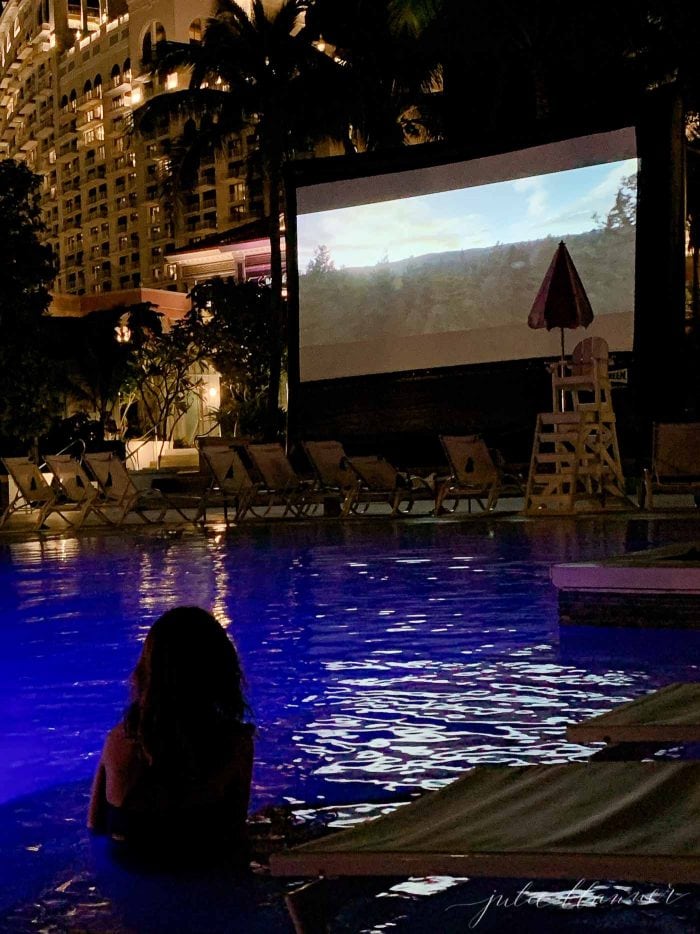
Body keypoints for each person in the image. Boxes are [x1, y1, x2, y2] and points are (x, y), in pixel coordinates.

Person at [88, 606, 254, 867]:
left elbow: (95, 826)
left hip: (129, 883)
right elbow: (234, 835)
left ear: (146, 671)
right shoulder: (234, 745)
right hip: (203, 883)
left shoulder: (118, 739)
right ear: (220, 671)